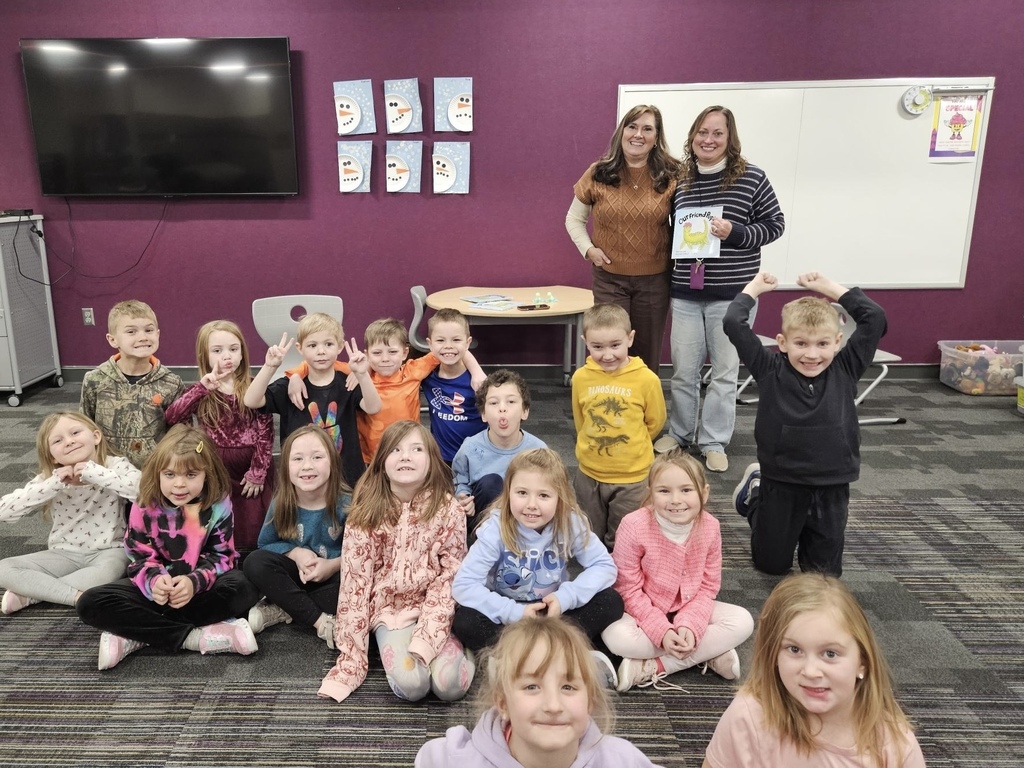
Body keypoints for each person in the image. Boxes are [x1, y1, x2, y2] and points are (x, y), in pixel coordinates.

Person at [725, 272, 887, 577]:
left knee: (823, 574)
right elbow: (733, 322)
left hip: (832, 484)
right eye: (801, 343)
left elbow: (874, 318)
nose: (812, 354)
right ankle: (756, 494)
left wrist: (828, 288)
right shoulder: (769, 368)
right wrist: (754, 289)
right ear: (783, 343)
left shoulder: (846, 367)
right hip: (781, 480)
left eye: (822, 343)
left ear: (838, 342)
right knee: (770, 566)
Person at [658, 105, 785, 473]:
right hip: (686, 291)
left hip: (732, 295)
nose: (708, 140)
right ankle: (680, 434)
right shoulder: (680, 178)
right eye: (702, 132)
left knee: (724, 373)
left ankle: (713, 441)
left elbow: (775, 224)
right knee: (683, 371)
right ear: (692, 137)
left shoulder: (752, 177)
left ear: (730, 139)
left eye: (717, 133)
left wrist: (736, 232)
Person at [76, 424, 260, 670]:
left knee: (244, 587)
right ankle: (192, 637)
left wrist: (193, 582)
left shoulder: (218, 503)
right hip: (156, 592)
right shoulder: (144, 503)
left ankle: (138, 633)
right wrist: (154, 581)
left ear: (207, 474)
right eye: (170, 474)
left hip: (200, 589)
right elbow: (139, 557)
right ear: (158, 473)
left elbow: (222, 556)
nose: (179, 485)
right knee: (89, 602)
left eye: (191, 475)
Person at [318, 420, 474, 703]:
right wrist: (352, 658)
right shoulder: (365, 513)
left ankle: (467, 650)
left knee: (451, 686)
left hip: (435, 609)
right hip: (389, 613)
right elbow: (354, 586)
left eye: (416, 449)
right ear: (381, 461)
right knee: (413, 686)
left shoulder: (449, 510)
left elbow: (450, 577)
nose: (405, 457)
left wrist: (429, 635)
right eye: (396, 450)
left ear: (431, 460)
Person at [703, 573, 926, 768]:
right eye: (794, 649)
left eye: (830, 654)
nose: (810, 671)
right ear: (774, 656)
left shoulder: (895, 745)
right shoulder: (749, 716)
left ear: (863, 662)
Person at [451, 448, 622, 687]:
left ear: (560, 497)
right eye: (522, 493)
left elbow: (604, 566)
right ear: (508, 493)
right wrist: (514, 612)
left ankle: (517, 659)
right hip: (507, 617)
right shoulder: (495, 529)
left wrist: (565, 598)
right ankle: (563, 656)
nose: (531, 505)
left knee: (611, 601)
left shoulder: (570, 522)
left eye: (544, 495)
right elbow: (464, 585)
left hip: (552, 612)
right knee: (465, 620)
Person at [415, 616, 664, 768]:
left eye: (568, 687)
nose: (553, 705)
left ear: (590, 701)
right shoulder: (456, 759)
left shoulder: (621, 760)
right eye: (532, 687)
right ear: (502, 703)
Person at [602, 450, 753, 692]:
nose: (675, 499)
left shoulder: (711, 527)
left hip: (690, 607)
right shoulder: (633, 525)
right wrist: (661, 631)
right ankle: (707, 653)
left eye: (686, 490)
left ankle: (656, 666)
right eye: (664, 491)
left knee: (743, 621)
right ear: (651, 493)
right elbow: (627, 589)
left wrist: (690, 626)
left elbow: (708, 587)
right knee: (617, 638)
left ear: (704, 492)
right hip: (642, 610)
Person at [565, 104, 681, 371]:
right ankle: (607, 398)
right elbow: (573, 219)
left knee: (646, 356)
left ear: (656, 137)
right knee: (608, 351)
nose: (638, 134)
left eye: (647, 129)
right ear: (622, 132)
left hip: (654, 281)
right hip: (609, 279)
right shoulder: (598, 172)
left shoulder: (673, 174)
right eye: (632, 127)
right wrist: (589, 250)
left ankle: (643, 400)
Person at [285, 317, 485, 463]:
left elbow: (450, 351)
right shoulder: (359, 372)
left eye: (392, 352)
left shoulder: (413, 371)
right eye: (377, 353)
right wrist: (295, 375)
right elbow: (320, 362)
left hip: (407, 451)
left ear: (405, 353)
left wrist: (477, 372)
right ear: (367, 354)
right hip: (370, 456)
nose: (385, 359)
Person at [0, 412, 139, 613]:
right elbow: (4, 511)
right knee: (3, 569)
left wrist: (96, 474)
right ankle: (74, 596)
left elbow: (143, 493)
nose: (69, 441)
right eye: (58, 441)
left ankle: (32, 593)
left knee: (110, 573)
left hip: (109, 551)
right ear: (51, 455)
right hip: (63, 553)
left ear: (96, 437)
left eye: (75, 433)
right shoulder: (50, 479)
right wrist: (52, 485)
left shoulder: (115, 465)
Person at [166, 320, 275, 553]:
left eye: (234, 349)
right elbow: (173, 416)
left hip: (249, 465)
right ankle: (221, 554)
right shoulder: (203, 389)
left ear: (242, 353)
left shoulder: (254, 386)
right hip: (215, 465)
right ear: (204, 356)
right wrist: (201, 388)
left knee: (252, 517)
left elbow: (266, 431)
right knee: (220, 514)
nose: (227, 356)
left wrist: (258, 471)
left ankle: (250, 555)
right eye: (217, 350)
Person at [243, 312, 382, 488]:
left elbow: (373, 407)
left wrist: (362, 375)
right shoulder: (290, 386)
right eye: (312, 345)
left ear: (340, 346)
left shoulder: (348, 383)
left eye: (328, 344)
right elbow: (251, 401)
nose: (321, 351)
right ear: (300, 348)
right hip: (303, 479)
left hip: (345, 480)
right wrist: (270, 367)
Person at [243, 426, 348, 648]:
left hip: (333, 577)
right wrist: (296, 553)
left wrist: (331, 566)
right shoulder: (282, 502)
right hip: (295, 577)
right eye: (298, 459)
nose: (307, 466)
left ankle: (285, 607)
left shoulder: (347, 505)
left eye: (317, 457)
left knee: (358, 586)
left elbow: (362, 554)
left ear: (332, 462)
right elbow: (265, 544)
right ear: (286, 467)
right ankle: (319, 622)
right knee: (254, 562)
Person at [572, 304, 666, 548]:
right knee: (589, 534)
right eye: (597, 347)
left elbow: (655, 421)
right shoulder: (580, 377)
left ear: (630, 338)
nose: (607, 355)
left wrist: (634, 443)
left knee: (624, 536)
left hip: (632, 477)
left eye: (615, 345)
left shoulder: (647, 379)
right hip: (589, 473)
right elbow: (581, 420)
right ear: (585, 342)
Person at [80, 299, 185, 468]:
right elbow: (85, 426)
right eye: (131, 332)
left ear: (158, 334)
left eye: (149, 330)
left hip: (154, 468)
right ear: (113, 340)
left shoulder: (171, 383)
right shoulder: (95, 380)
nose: (143, 337)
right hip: (108, 470)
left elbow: (181, 433)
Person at [451, 369, 546, 528]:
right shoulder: (470, 447)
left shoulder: (538, 450)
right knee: (492, 482)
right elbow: (460, 481)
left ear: (524, 411)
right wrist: (463, 497)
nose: (502, 408)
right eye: (494, 403)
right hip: (483, 521)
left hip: (524, 521)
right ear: (483, 414)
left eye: (511, 402)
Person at [422, 308, 487, 464]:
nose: (448, 346)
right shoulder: (426, 375)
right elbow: (391, 361)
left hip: (476, 457)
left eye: (456, 340)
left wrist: (476, 370)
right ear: (430, 344)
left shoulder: (478, 382)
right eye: (440, 340)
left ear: (468, 343)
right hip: (441, 459)